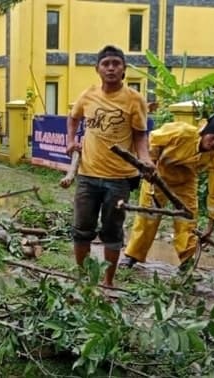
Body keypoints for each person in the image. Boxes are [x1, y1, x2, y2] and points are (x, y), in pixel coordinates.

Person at [66, 45, 154, 287]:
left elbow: (139, 135)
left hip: (119, 178)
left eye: (116, 63)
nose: (111, 68)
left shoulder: (135, 100)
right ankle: (83, 279)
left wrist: (145, 158)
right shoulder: (88, 95)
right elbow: (73, 118)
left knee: (112, 231)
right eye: (106, 64)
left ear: (124, 70)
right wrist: (71, 140)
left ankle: (108, 282)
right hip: (87, 175)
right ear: (98, 69)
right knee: (82, 229)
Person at [119, 114, 214, 269]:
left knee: (187, 220)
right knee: (148, 216)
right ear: (204, 132)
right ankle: (132, 256)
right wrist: (150, 164)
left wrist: (211, 225)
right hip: (157, 175)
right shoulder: (181, 132)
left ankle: (186, 261)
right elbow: (153, 139)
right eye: (213, 138)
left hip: (185, 183)